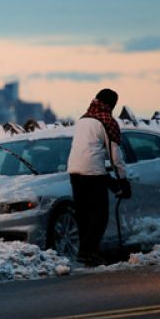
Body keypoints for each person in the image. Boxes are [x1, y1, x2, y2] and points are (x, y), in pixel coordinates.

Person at [67, 88, 127, 267]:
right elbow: (115, 155)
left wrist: (109, 180)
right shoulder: (107, 121)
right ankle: (87, 253)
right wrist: (123, 180)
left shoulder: (83, 119)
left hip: (74, 170)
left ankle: (88, 252)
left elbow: (87, 150)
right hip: (92, 172)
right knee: (100, 215)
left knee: (84, 214)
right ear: (111, 104)